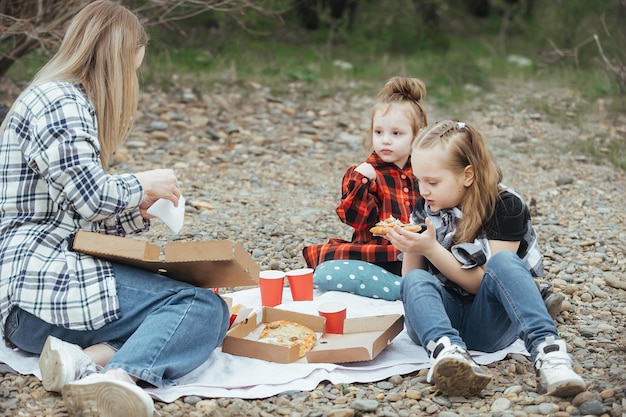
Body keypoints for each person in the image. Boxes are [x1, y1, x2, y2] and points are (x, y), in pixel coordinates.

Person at [0, 2, 229, 416]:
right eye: (133, 68)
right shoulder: (60, 101)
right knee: (199, 307)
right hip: (36, 290)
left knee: (166, 312)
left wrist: (140, 211)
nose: (132, 79)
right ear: (119, 59)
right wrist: (143, 182)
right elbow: (88, 196)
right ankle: (119, 380)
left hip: (32, 300)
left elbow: (73, 212)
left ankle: (81, 361)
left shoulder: (59, 98)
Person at [385, 120, 586, 398]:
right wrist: (409, 246)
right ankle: (448, 356)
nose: (423, 190)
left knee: (504, 263)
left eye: (432, 182)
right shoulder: (426, 206)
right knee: (418, 279)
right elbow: (410, 282)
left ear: (468, 175)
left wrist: (431, 249)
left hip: (489, 323)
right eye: (418, 179)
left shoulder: (506, 206)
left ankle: (548, 353)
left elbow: (483, 283)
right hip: (439, 319)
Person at [302, 77, 427, 295]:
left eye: (396, 134)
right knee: (328, 268)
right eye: (379, 132)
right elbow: (354, 219)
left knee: (447, 259)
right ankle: (398, 288)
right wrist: (361, 183)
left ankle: (405, 286)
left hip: (417, 251)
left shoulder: (423, 171)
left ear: (416, 136)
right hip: (378, 253)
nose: (385, 140)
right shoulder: (365, 173)